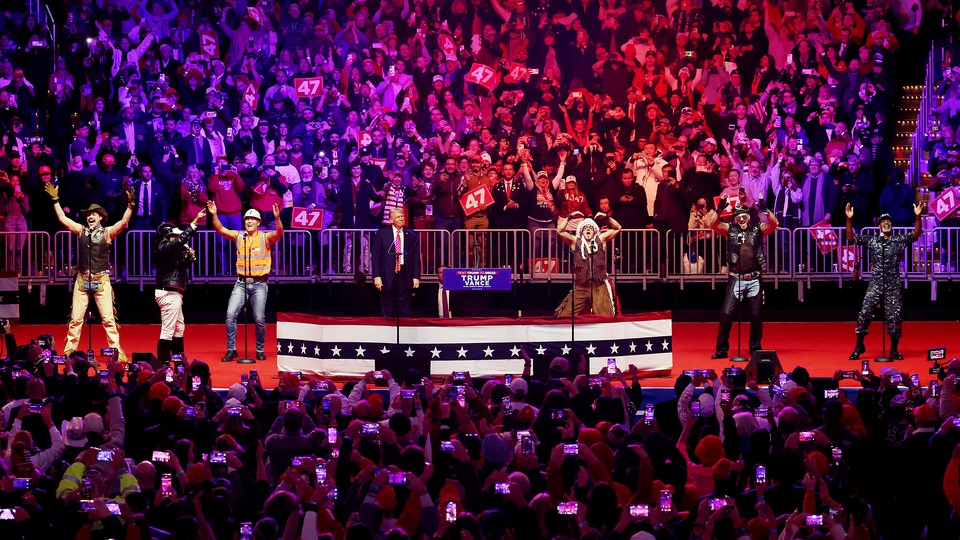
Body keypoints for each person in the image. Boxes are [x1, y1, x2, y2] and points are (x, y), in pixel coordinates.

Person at [43, 180, 133, 361]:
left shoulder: (108, 233)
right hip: (82, 281)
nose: (90, 217)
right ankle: (69, 350)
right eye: (88, 214)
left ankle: (116, 350)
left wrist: (130, 205)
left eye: (94, 214)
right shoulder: (81, 230)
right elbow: (63, 219)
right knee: (76, 319)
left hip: (101, 280)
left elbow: (123, 222)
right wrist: (55, 201)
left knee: (108, 319)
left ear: (100, 217)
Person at [846, 202, 924, 360]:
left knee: (894, 318)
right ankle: (859, 345)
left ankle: (894, 349)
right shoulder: (873, 241)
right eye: (883, 222)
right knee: (865, 313)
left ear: (892, 225)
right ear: (879, 226)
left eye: (888, 221)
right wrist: (849, 220)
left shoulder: (898, 240)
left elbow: (916, 234)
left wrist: (917, 216)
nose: (886, 223)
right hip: (875, 283)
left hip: (892, 284)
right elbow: (851, 237)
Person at [207, 200, 283, 362]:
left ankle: (259, 349)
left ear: (258, 222)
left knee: (259, 319)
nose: (249, 221)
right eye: (247, 218)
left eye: (252, 219)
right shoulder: (239, 237)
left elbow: (279, 233)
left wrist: (277, 219)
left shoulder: (265, 237)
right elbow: (220, 229)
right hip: (241, 283)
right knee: (230, 315)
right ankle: (231, 349)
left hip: (259, 284)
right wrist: (214, 214)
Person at [704, 199, 779, 358]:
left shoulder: (757, 230)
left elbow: (773, 224)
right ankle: (721, 349)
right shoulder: (729, 229)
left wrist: (765, 209)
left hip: (754, 279)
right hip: (735, 278)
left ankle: (755, 348)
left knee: (756, 314)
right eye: (738, 217)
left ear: (749, 217)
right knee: (726, 313)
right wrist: (719, 209)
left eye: (744, 216)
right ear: (735, 219)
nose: (742, 219)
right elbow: (712, 225)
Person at [153, 209, 205, 364]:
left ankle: (179, 363)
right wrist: (194, 224)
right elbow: (179, 241)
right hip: (168, 294)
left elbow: (179, 268)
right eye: (174, 235)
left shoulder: (173, 251)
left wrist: (188, 259)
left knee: (179, 329)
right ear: (168, 236)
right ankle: (164, 366)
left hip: (174, 293)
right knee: (168, 330)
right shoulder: (162, 247)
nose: (178, 238)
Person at [554, 216, 622, 317]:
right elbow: (559, 231)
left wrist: (606, 217)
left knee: (605, 318)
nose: (588, 229)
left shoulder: (601, 240)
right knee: (564, 316)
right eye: (585, 228)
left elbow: (618, 228)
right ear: (581, 232)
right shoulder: (575, 242)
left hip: (598, 287)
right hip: (580, 288)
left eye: (591, 228)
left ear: (595, 231)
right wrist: (569, 217)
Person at [372, 207, 421, 317]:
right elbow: (375, 256)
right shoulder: (382, 233)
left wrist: (416, 277)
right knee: (388, 305)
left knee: (405, 306)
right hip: (387, 274)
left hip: (405, 274)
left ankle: (403, 329)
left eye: (402, 216)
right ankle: (388, 330)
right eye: (398, 217)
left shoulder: (411, 233)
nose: (401, 219)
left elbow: (416, 257)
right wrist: (376, 276)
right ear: (391, 220)